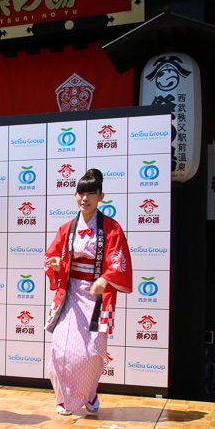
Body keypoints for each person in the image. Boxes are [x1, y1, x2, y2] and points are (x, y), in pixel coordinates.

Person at [44, 169, 133, 415]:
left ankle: (89, 391)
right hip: (70, 293)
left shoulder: (112, 228)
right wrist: (56, 265)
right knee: (60, 349)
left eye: (91, 193)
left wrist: (106, 279)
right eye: (81, 193)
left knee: (92, 351)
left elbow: (118, 261)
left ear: (100, 196)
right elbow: (53, 256)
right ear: (75, 195)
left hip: (97, 296)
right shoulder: (66, 228)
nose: (85, 198)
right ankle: (64, 399)